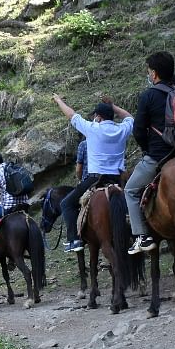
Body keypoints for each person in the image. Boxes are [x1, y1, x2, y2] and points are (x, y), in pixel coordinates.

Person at [54, 95, 135, 253]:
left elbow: (71, 115)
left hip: (96, 179)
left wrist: (59, 101)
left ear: (98, 117)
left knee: (66, 204)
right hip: (119, 179)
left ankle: (75, 240)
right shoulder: (122, 129)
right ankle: (138, 234)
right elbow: (129, 117)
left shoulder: (92, 128)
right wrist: (114, 106)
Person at [123, 51, 175, 254]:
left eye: (149, 72)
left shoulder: (149, 95)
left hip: (158, 156)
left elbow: (138, 130)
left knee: (130, 191)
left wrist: (148, 149)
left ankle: (142, 236)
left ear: (154, 74)